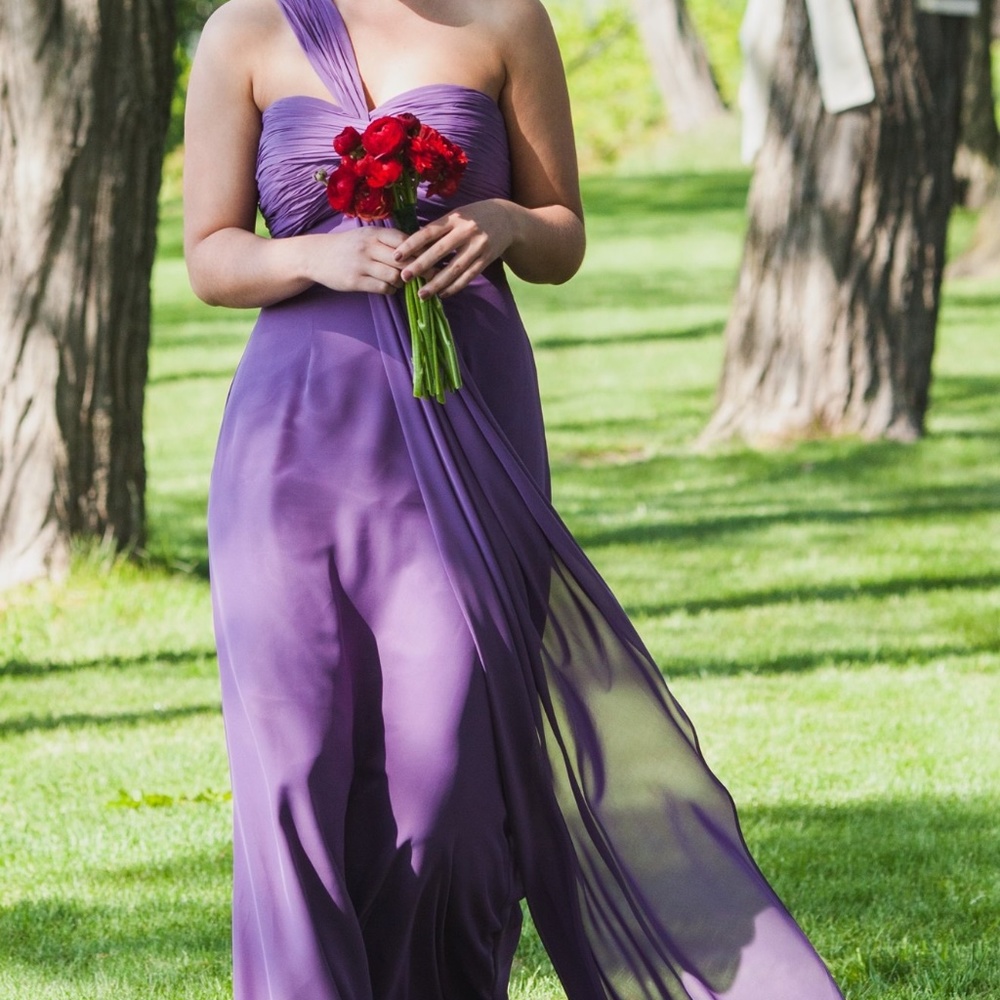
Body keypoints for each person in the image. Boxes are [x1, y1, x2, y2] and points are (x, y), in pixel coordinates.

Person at [184, 1, 846, 998]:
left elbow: (561, 235)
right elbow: (210, 251)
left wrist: (502, 223)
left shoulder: (506, 19)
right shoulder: (246, 30)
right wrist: (310, 256)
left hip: (466, 420)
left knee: (445, 776)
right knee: (294, 771)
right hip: (294, 446)